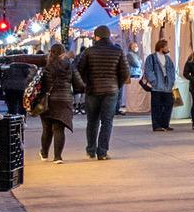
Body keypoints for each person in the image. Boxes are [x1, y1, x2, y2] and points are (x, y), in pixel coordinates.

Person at [74, 25, 130, 159]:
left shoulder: (88, 52)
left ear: (96, 37)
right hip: (111, 90)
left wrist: (85, 84)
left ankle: (91, 149)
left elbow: (78, 70)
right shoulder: (118, 51)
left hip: (92, 90)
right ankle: (102, 152)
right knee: (107, 121)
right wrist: (117, 85)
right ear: (109, 36)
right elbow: (125, 72)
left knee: (92, 121)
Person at [35, 42, 76, 163]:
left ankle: (44, 153)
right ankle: (57, 157)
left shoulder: (45, 65)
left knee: (46, 128)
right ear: (63, 52)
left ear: (51, 52)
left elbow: (37, 82)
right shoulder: (70, 66)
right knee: (59, 129)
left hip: (47, 100)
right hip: (64, 101)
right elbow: (78, 84)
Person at [142, 39, 178, 132]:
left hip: (167, 86)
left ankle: (165, 124)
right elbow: (148, 70)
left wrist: (172, 81)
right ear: (161, 47)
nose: (168, 48)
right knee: (156, 106)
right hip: (156, 87)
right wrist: (154, 81)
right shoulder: (151, 58)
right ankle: (157, 125)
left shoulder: (168, 58)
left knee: (169, 104)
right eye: (166, 46)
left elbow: (172, 70)